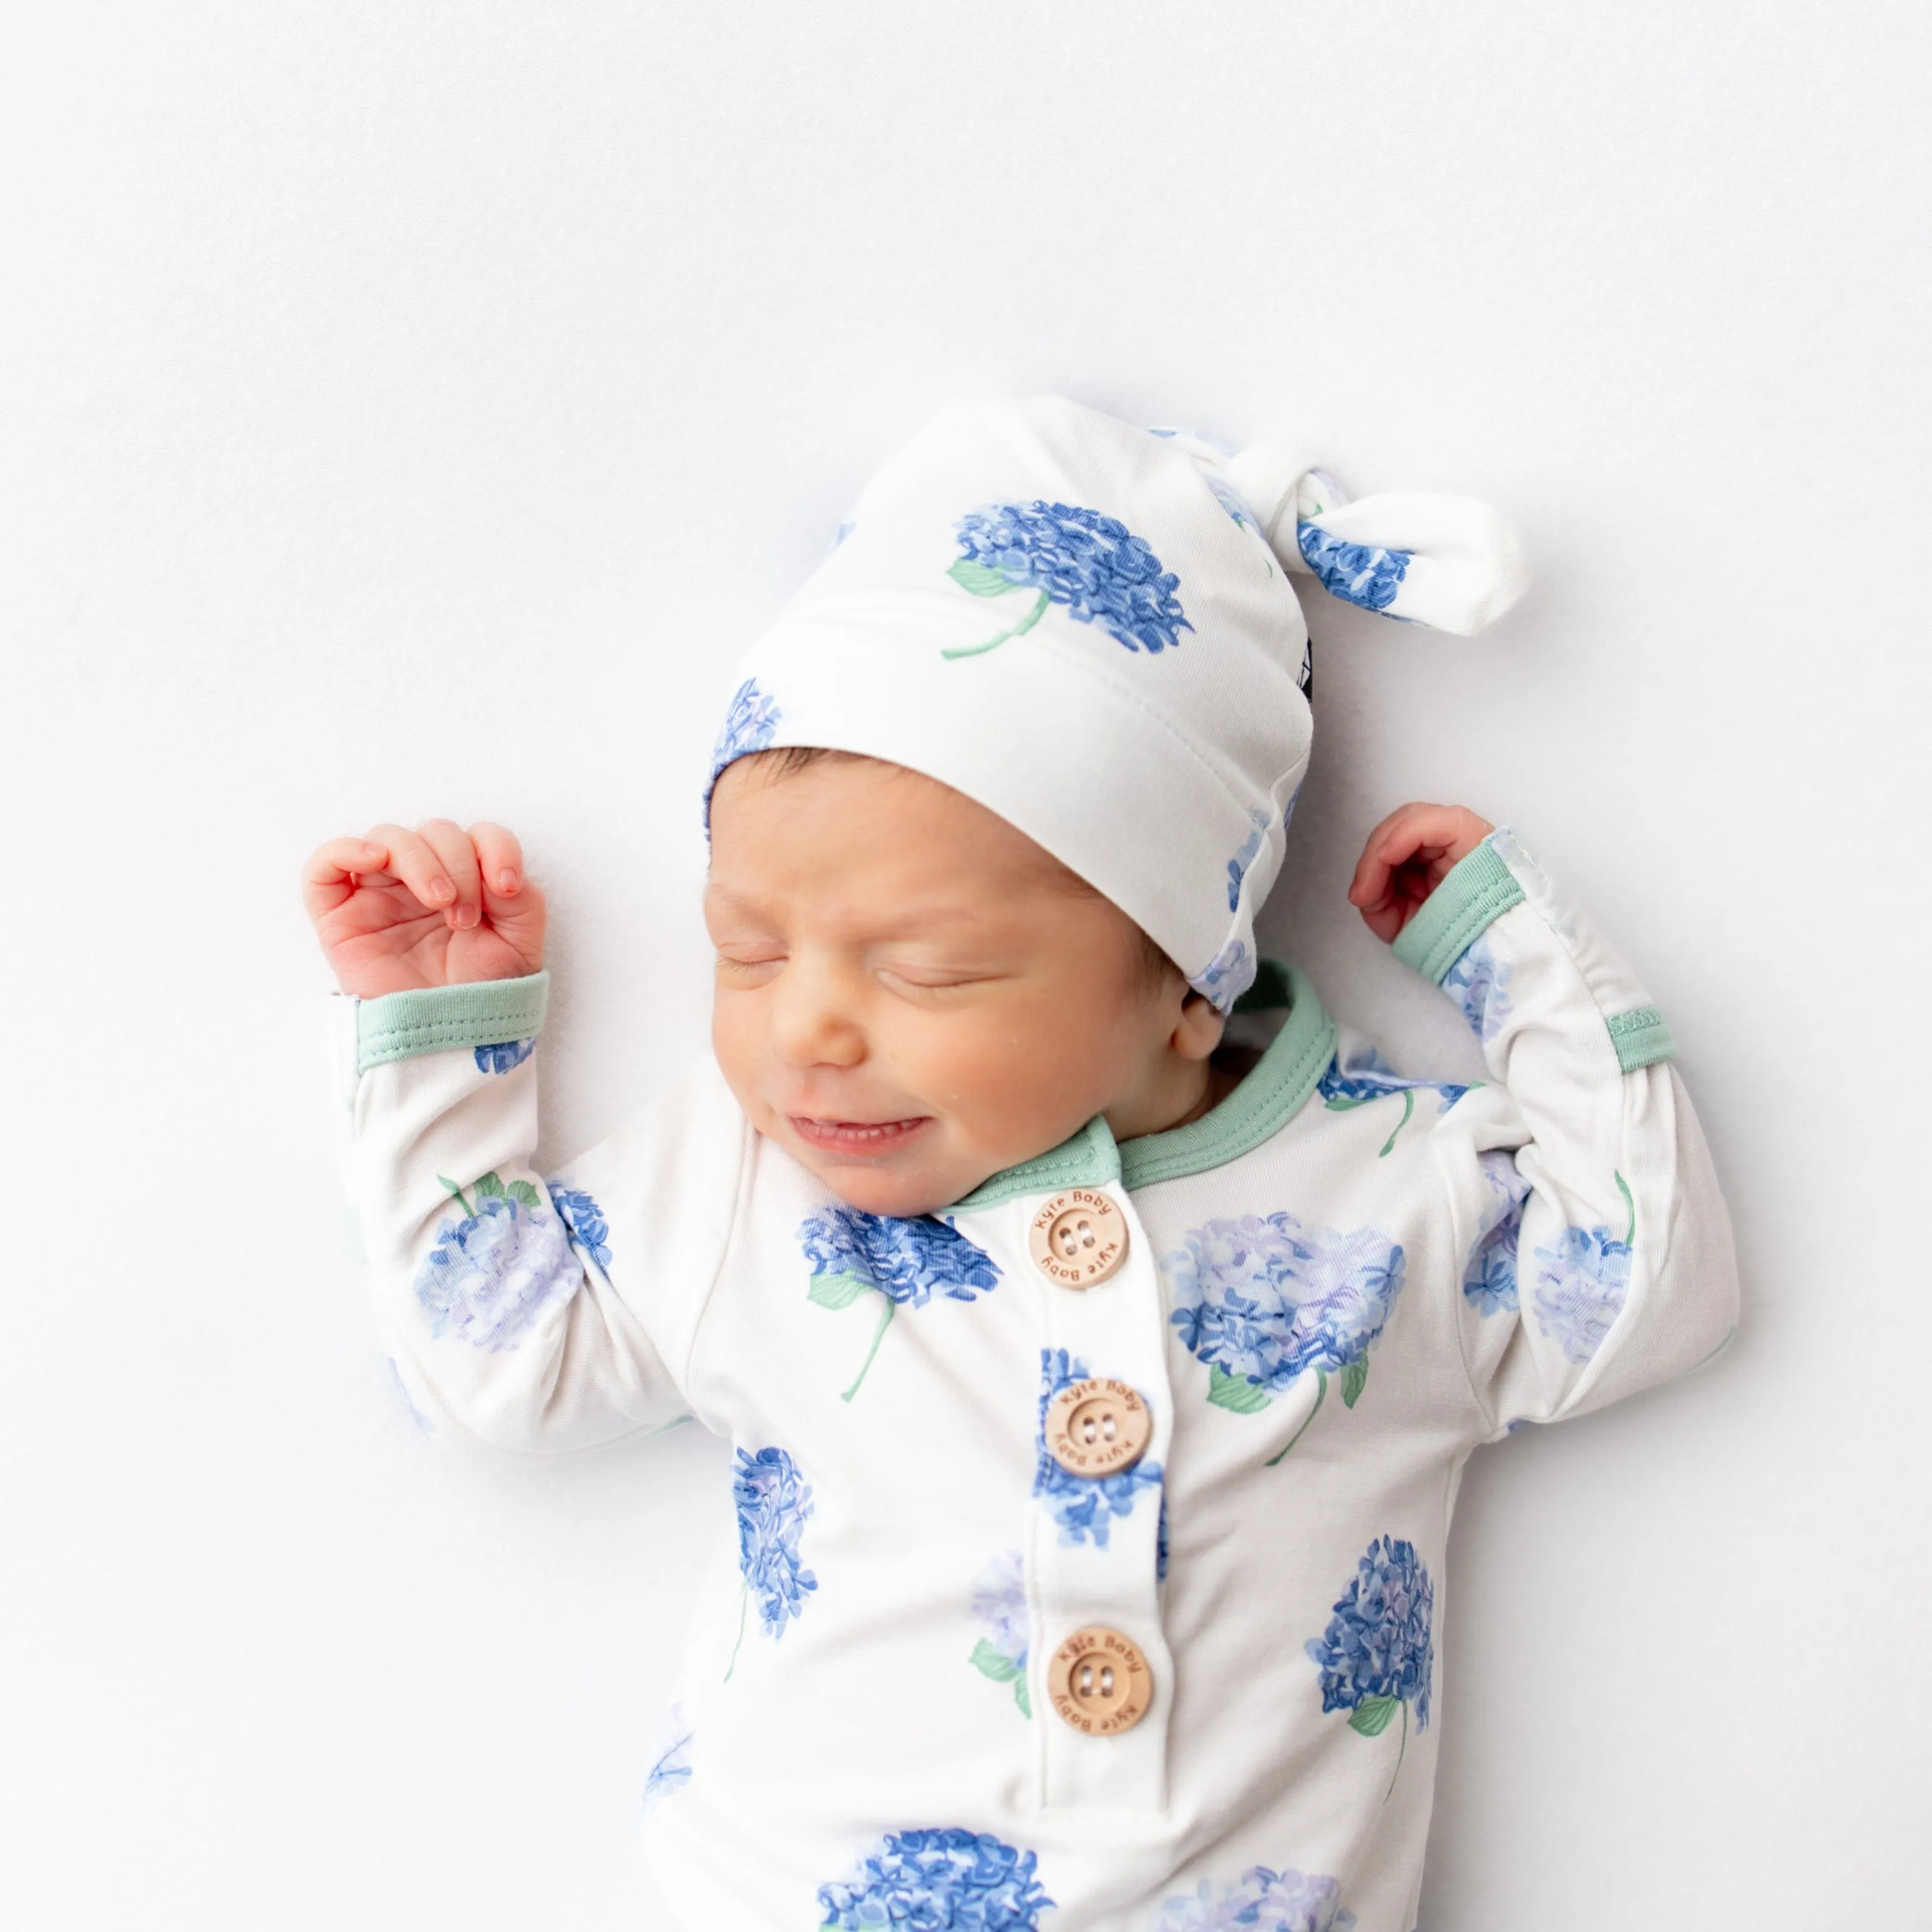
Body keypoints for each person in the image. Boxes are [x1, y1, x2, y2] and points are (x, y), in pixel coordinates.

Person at [303, 396, 1737, 1931]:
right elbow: (499, 1369)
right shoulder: (743, 1185)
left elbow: (1649, 1287)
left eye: (926, 970)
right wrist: (447, 1038)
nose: (810, 1036)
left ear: (1188, 976)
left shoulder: (1387, 1187)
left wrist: (1516, 960)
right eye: (749, 949)